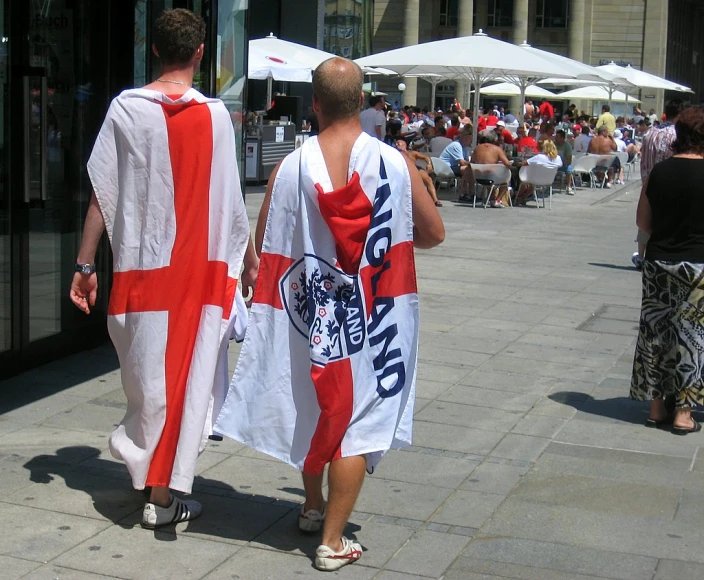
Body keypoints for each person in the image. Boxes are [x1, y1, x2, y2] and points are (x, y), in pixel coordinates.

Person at [215, 57, 444, 571]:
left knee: (316, 404)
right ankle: (333, 541)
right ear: (361, 103)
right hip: (374, 315)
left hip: (310, 315)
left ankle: (314, 507)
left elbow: (263, 246)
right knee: (359, 419)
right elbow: (432, 235)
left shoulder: (289, 167)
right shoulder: (393, 163)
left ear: (313, 104)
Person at [69, 8, 257, 528]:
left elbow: (101, 196)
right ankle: (162, 494)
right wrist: (251, 263)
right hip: (198, 276)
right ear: (200, 53)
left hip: (143, 272)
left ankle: (158, 489)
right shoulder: (216, 115)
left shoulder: (125, 109)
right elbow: (230, 202)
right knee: (186, 377)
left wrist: (86, 263)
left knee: (151, 381)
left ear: (153, 50)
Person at [631, 105, 704, 435]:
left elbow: (642, 222)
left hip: (659, 262)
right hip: (699, 265)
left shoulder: (660, 172)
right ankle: (684, 412)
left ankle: (657, 406)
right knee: (692, 336)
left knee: (656, 332)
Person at [632, 99, 684, 269]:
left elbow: (643, 159)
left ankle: (641, 255)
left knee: (646, 217)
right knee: (666, 219)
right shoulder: (676, 134)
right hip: (669, 182)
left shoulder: (650, 133)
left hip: (648, 180)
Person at [396, 138, 442, 206]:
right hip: (402, 169)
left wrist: (429, 164)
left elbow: (426, 157)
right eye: (396, 143)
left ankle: (435, 200)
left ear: (404, 145)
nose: (396, 144)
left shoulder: (412, 153)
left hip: (415, 168)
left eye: (398, 143)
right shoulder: (395, 154)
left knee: (428, 179)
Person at [470, 132, 512, 208]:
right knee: (506, 179)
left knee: (489, 174)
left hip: (477, 176)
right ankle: (497, 200)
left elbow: (472, 162)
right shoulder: (497, 149)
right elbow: (507, 164)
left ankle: (492, 199)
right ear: (495, 140)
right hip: (490, 177)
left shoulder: (477, 148)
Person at [515, 139, 562, 205]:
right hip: (549, 180)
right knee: (532, 184)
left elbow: (524, 163)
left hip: (535, 179)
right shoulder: (558, 158)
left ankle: (518, 196)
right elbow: (560, 165)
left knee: (524, 180)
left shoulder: (539, 157)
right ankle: (522, 197)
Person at [439, 125, 475, 201]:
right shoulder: (456, 145)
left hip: (453, 166)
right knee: (466, 169)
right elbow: (462, 162)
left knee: (470, 170)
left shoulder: (464, 147)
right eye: (470, 140)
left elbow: (465, 160)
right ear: (466, 138)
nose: (471, 142)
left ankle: (472, 194)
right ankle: (463, 193)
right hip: (445, 167)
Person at [555, 129, 575, 195]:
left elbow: (569, 160)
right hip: (553, 164)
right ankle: (546, 185)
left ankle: (568, 186)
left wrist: (562, 163)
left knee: (569, 168)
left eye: (557, 137)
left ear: (562, 138)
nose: (555, 138)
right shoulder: (553, 144)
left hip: (563, 164)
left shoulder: (567, 146)